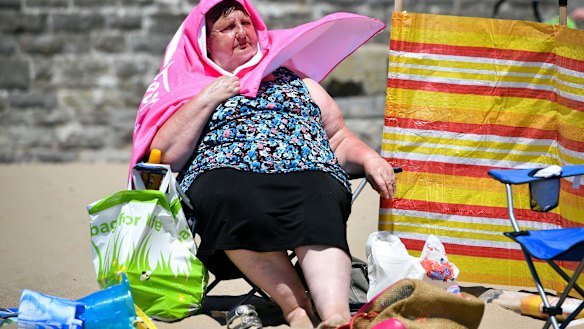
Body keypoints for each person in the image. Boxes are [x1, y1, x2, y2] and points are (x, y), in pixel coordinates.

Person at [134, 0, 395, 327]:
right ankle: (296, 308)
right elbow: (165, 153)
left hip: (308, 169)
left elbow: (339, 138)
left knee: (319, 197)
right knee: (231, 197)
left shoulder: (297, 81)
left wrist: (370, 158)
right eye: (228, 28)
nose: (241, 32)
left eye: (246, 24)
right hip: (226, 175)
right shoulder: (188, 90)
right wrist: (210, 95)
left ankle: (336, 317)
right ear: (205, 44)